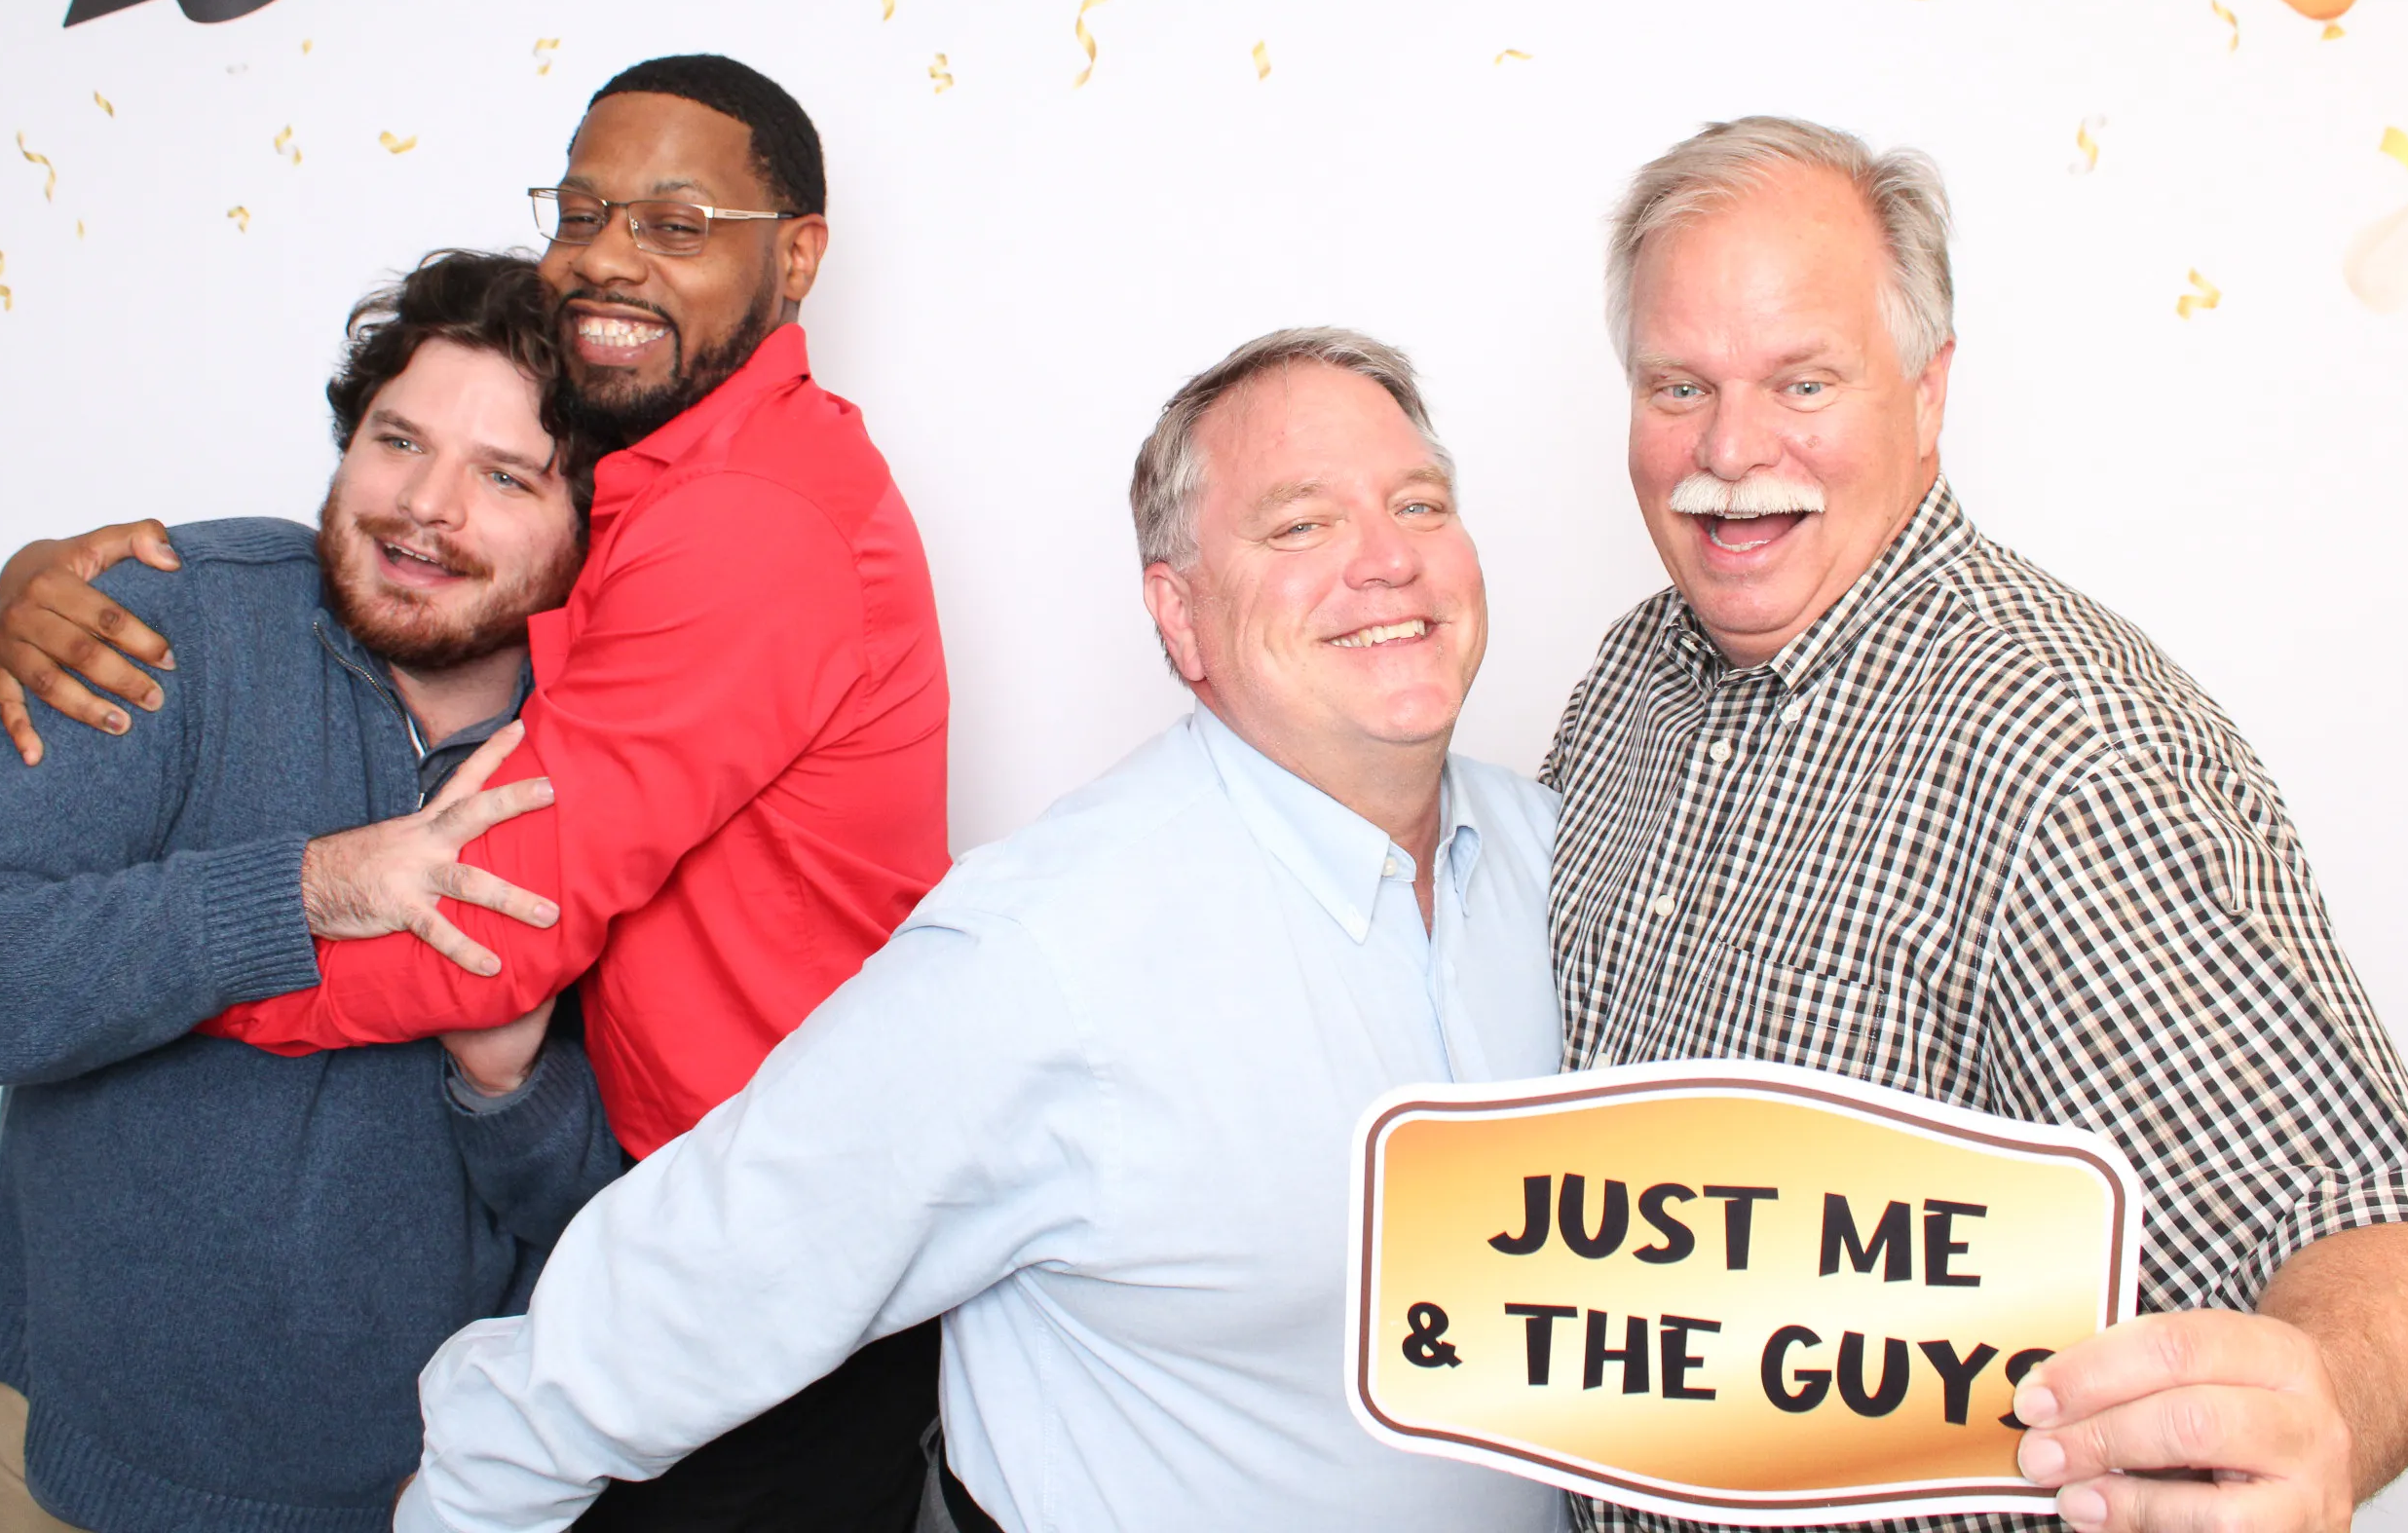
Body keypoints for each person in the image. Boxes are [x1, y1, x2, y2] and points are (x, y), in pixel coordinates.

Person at [0, 56, 955, 1530]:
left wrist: (175, 965)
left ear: (796, 254)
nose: (611, 252)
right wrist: (46, 574)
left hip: (768, 1278)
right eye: (583, 208)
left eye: (679, 220)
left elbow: (500, 930)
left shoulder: (737, 522)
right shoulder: (624, 504)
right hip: (680, 1255)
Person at [392, 329, 1568, 1533]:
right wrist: (461, 1506)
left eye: (1419, 503)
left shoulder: (1561, 859)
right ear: (1180, 616)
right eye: (1300, 525)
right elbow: (704, 1270)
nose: (1386, 560)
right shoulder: (1045, 954)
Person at [1547, 116, 2408, 1533]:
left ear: (1927, 395)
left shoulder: (2068, 753)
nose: (1731, 451)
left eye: (1804, 381)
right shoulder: (1632, 678)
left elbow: (2380, 1222)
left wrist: (2329, 1406)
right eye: (1679, 386)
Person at [0, 253, 629, 1533]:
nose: (427, 506)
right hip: (50, 1447)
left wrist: (508, 1088)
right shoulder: (170, 623)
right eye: (400, 441)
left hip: (396, 1494)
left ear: (585, 527)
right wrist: (308, 890)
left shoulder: (619, 748)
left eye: (505, 476)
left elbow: (613, 1226)